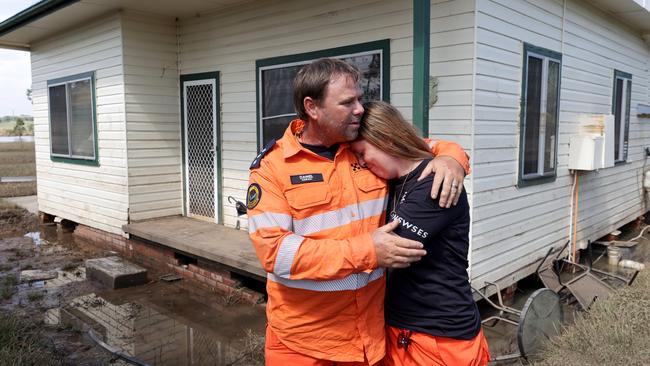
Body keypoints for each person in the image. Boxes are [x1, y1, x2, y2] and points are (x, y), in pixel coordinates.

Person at [247, 58, 470, 365]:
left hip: (369, 341)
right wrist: (367, 251)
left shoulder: (360, 144)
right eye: (348, 102)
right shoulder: (272, 169)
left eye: (360, 99)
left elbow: (418, 146)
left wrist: (453, 159)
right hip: (304, 344)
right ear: (312, 108)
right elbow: (276, 254)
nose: (360, 109)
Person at [350, 101, 489, 366]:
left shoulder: (434, 183)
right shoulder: (394, 180)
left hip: (437, 335)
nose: (360, 163)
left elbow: (388, 249)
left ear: (385, 139)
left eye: (362, 153)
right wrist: (451, 152)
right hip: (407, 330)